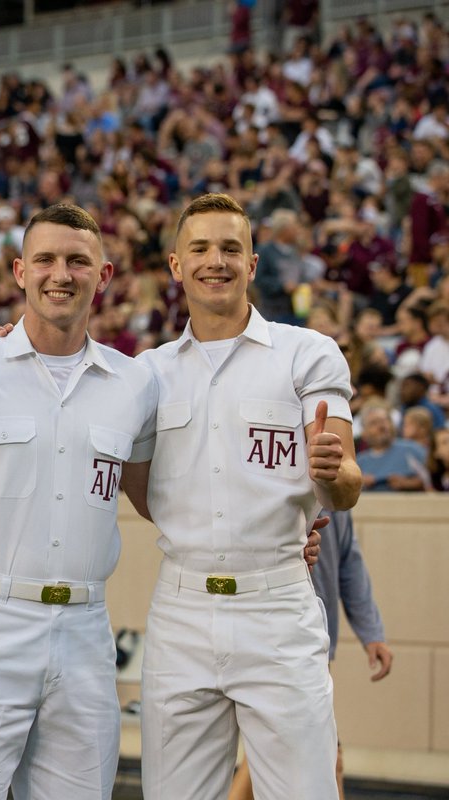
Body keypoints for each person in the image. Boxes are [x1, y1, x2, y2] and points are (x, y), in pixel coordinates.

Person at [0, 204, 158, 799]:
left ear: (105, 274)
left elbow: (161, 502)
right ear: (19, 271)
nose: (60, 274)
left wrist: (280, 535)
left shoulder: (137, 384)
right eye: (44, 259)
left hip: (86, 629)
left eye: (78, 261)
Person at [125, 193, 362, 800]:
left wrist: (331, 474)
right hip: (179, 611)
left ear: (253, 263)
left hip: (277, 606)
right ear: (175, 266)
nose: (216, 261)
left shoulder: (308, 352)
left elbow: (346, 486)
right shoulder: (145, 373)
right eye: (199, 248)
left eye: (231, 248)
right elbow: (142, 490)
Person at [228, 508, 393, 800]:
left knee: (317, 756)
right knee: (288, 752)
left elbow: (349, 563)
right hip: (264, 633)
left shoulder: (337, 492)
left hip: (313, 645)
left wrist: (372, 634)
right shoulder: (268, 480)